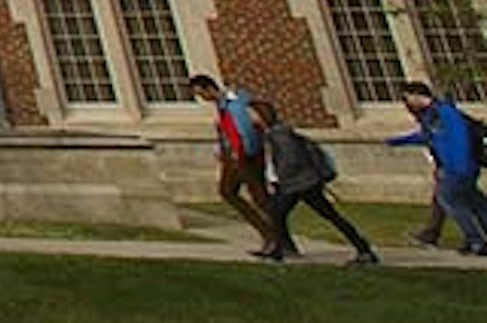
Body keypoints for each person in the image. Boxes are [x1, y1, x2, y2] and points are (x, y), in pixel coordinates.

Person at [254, 97, 379, 265]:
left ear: (261, 115)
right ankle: (279, 249)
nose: (249, 118)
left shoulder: (279, 134)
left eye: (251, 114)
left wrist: (281, 180)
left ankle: (363, 249)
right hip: (300, 183)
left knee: (324, 215)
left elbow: (291, 160)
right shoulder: (274, 133)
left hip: (298, 184)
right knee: (278, 213)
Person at [387, 79, 487, 254]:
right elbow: (428, 137)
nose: (407, 104)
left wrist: (457, 168)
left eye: (407, 98)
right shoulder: (430, 115)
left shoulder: (445, 112)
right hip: (455, 168)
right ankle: (476, 239)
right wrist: (398, 141)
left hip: (458, 168)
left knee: (452, 203)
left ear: (417, 96)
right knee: (475, 202)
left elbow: (459, 140)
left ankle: (475, 240)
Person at [187, 74, 279, 253]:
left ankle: (274, 238)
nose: (202, 99)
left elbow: (245, 130)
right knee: (231, 192)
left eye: (201, 94)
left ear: (209, 88)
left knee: (259, 197)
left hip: (244, 157)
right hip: (235, 156)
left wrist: (241, 153)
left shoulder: (234, 103)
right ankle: (272, 236)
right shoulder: (224, 105)